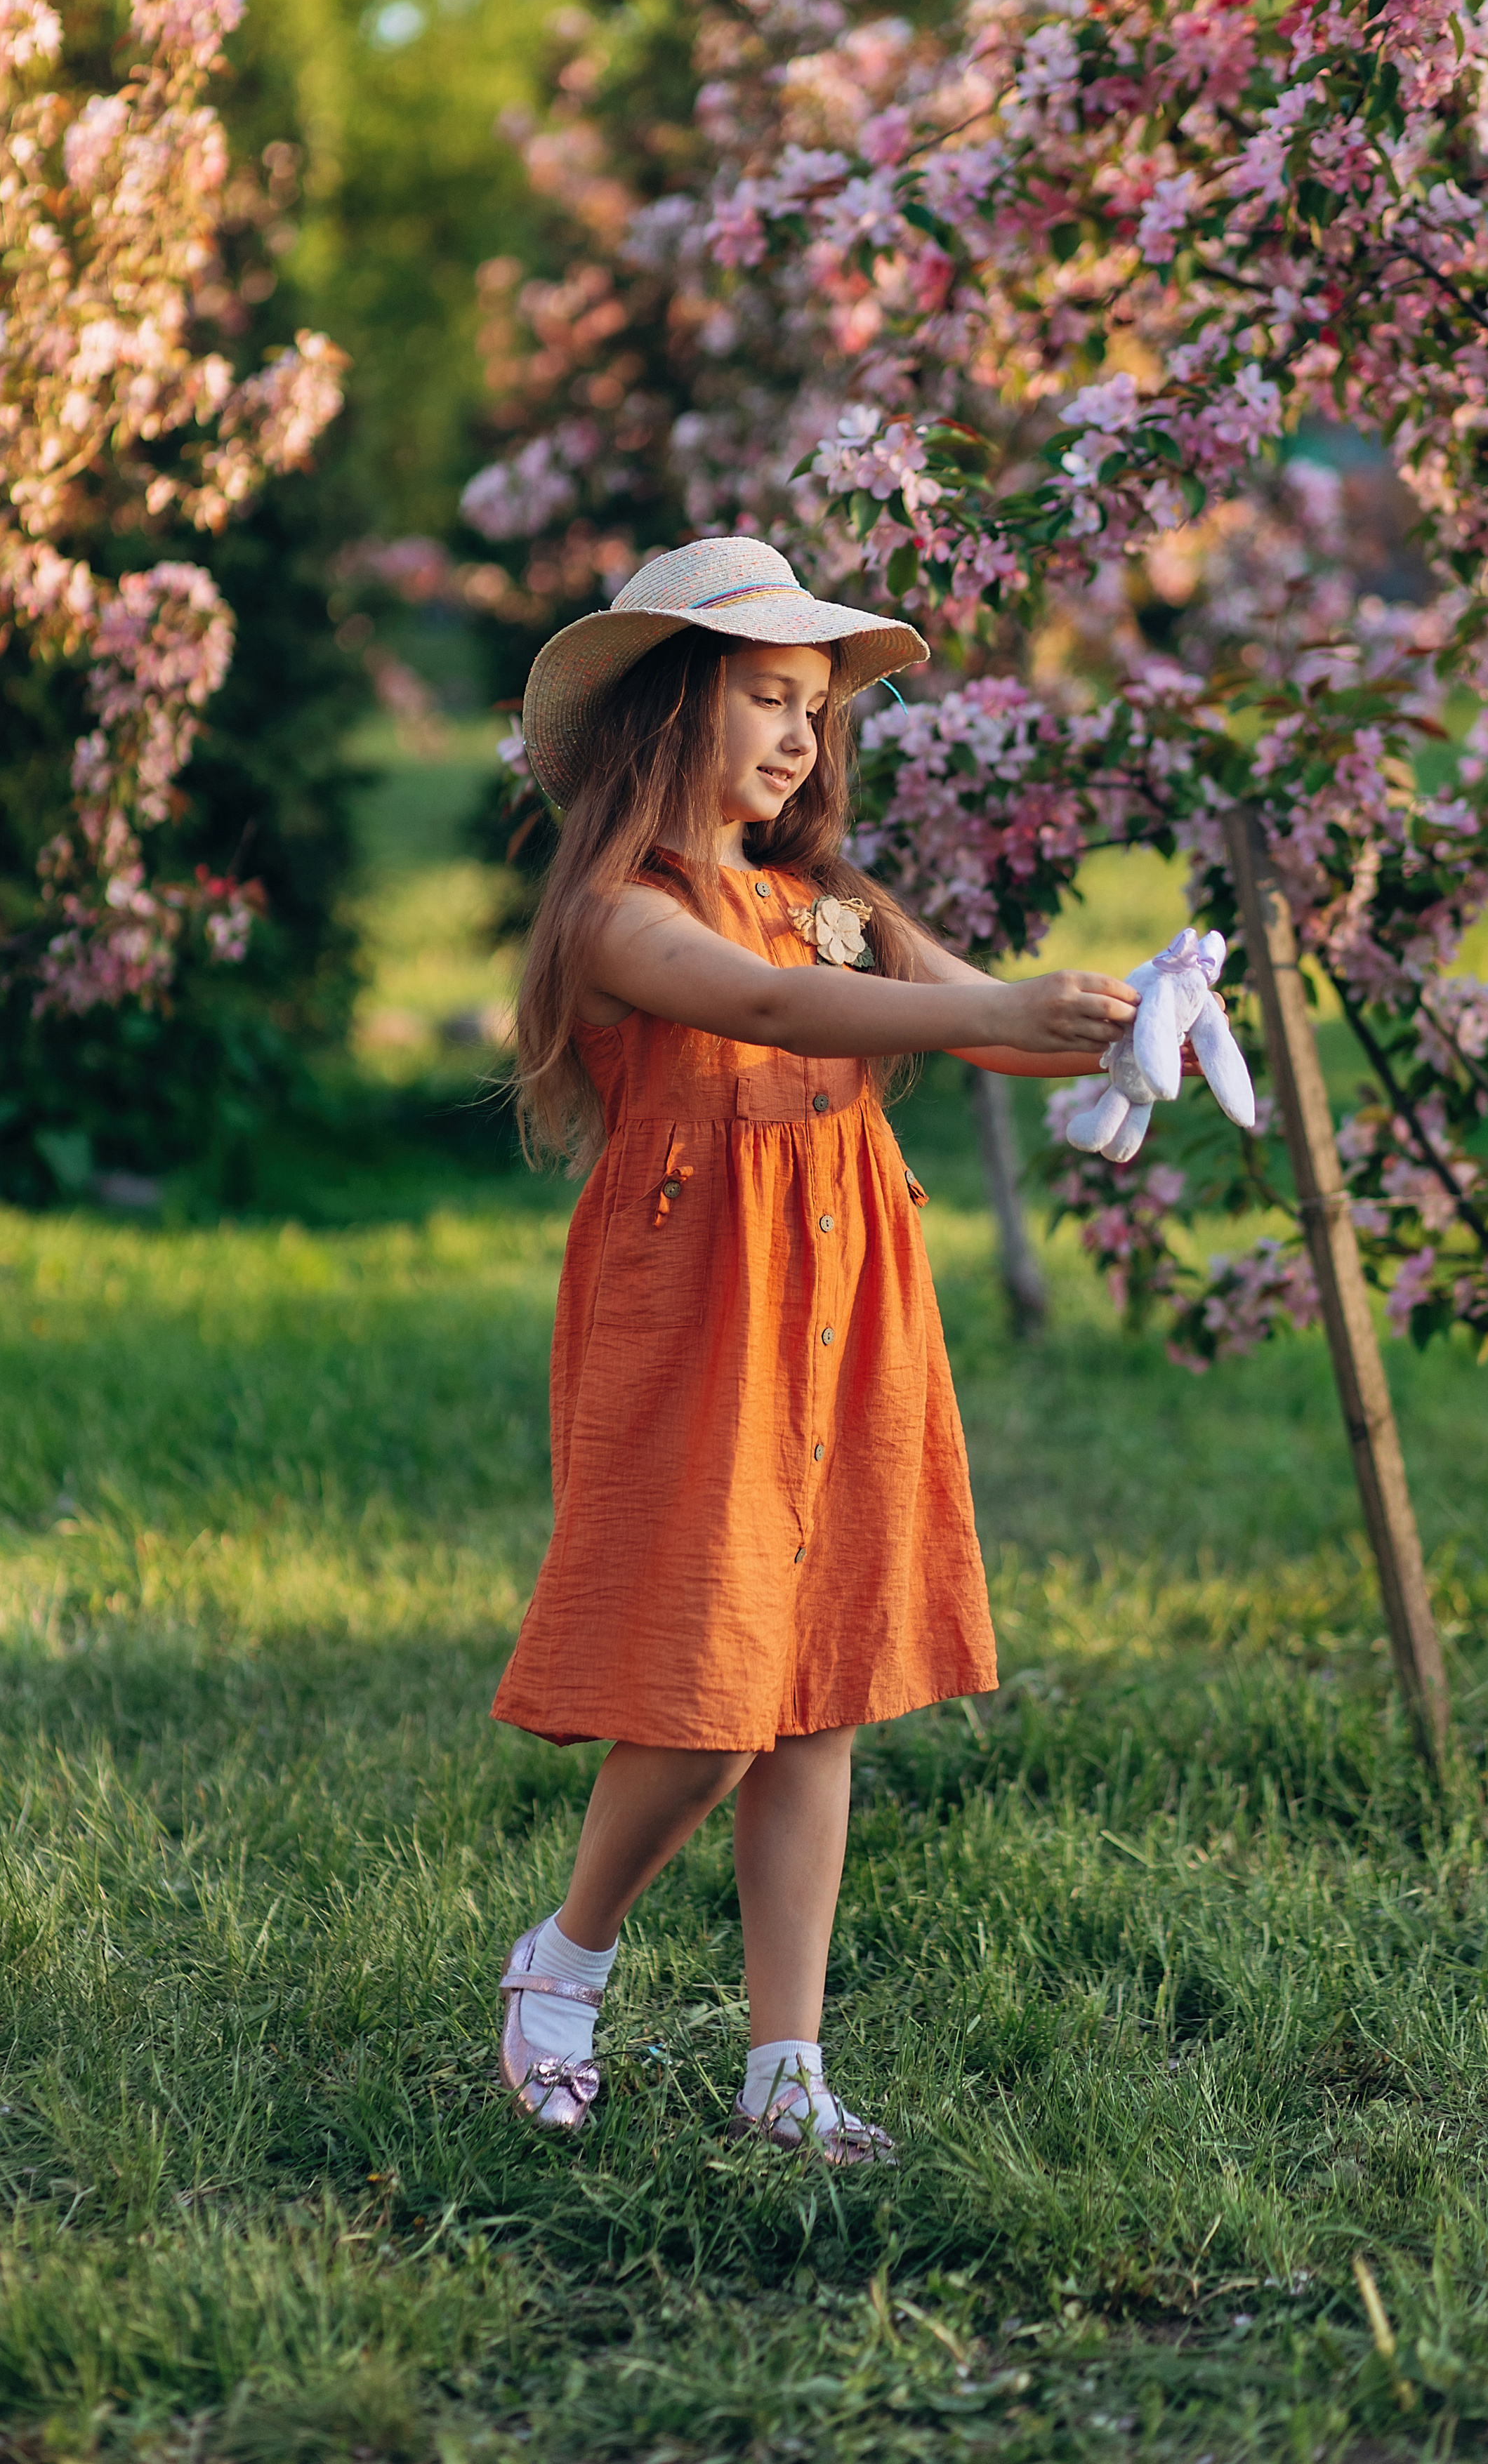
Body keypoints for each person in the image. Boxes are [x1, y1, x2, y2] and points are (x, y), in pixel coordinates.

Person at [492, 536, 1138, 2162]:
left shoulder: (827, 904)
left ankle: (786, 2069)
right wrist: (985, 1014)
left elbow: (976, 1007)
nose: (798, 737)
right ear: (662, 719)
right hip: (702, 1315)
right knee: (713, 1695)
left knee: (818, 1690)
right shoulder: (620, 918)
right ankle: (564, 1961)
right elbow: (768, 1017)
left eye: (813, 711)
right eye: (765, 699)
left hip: (847, 1308)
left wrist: (1111, 1018)